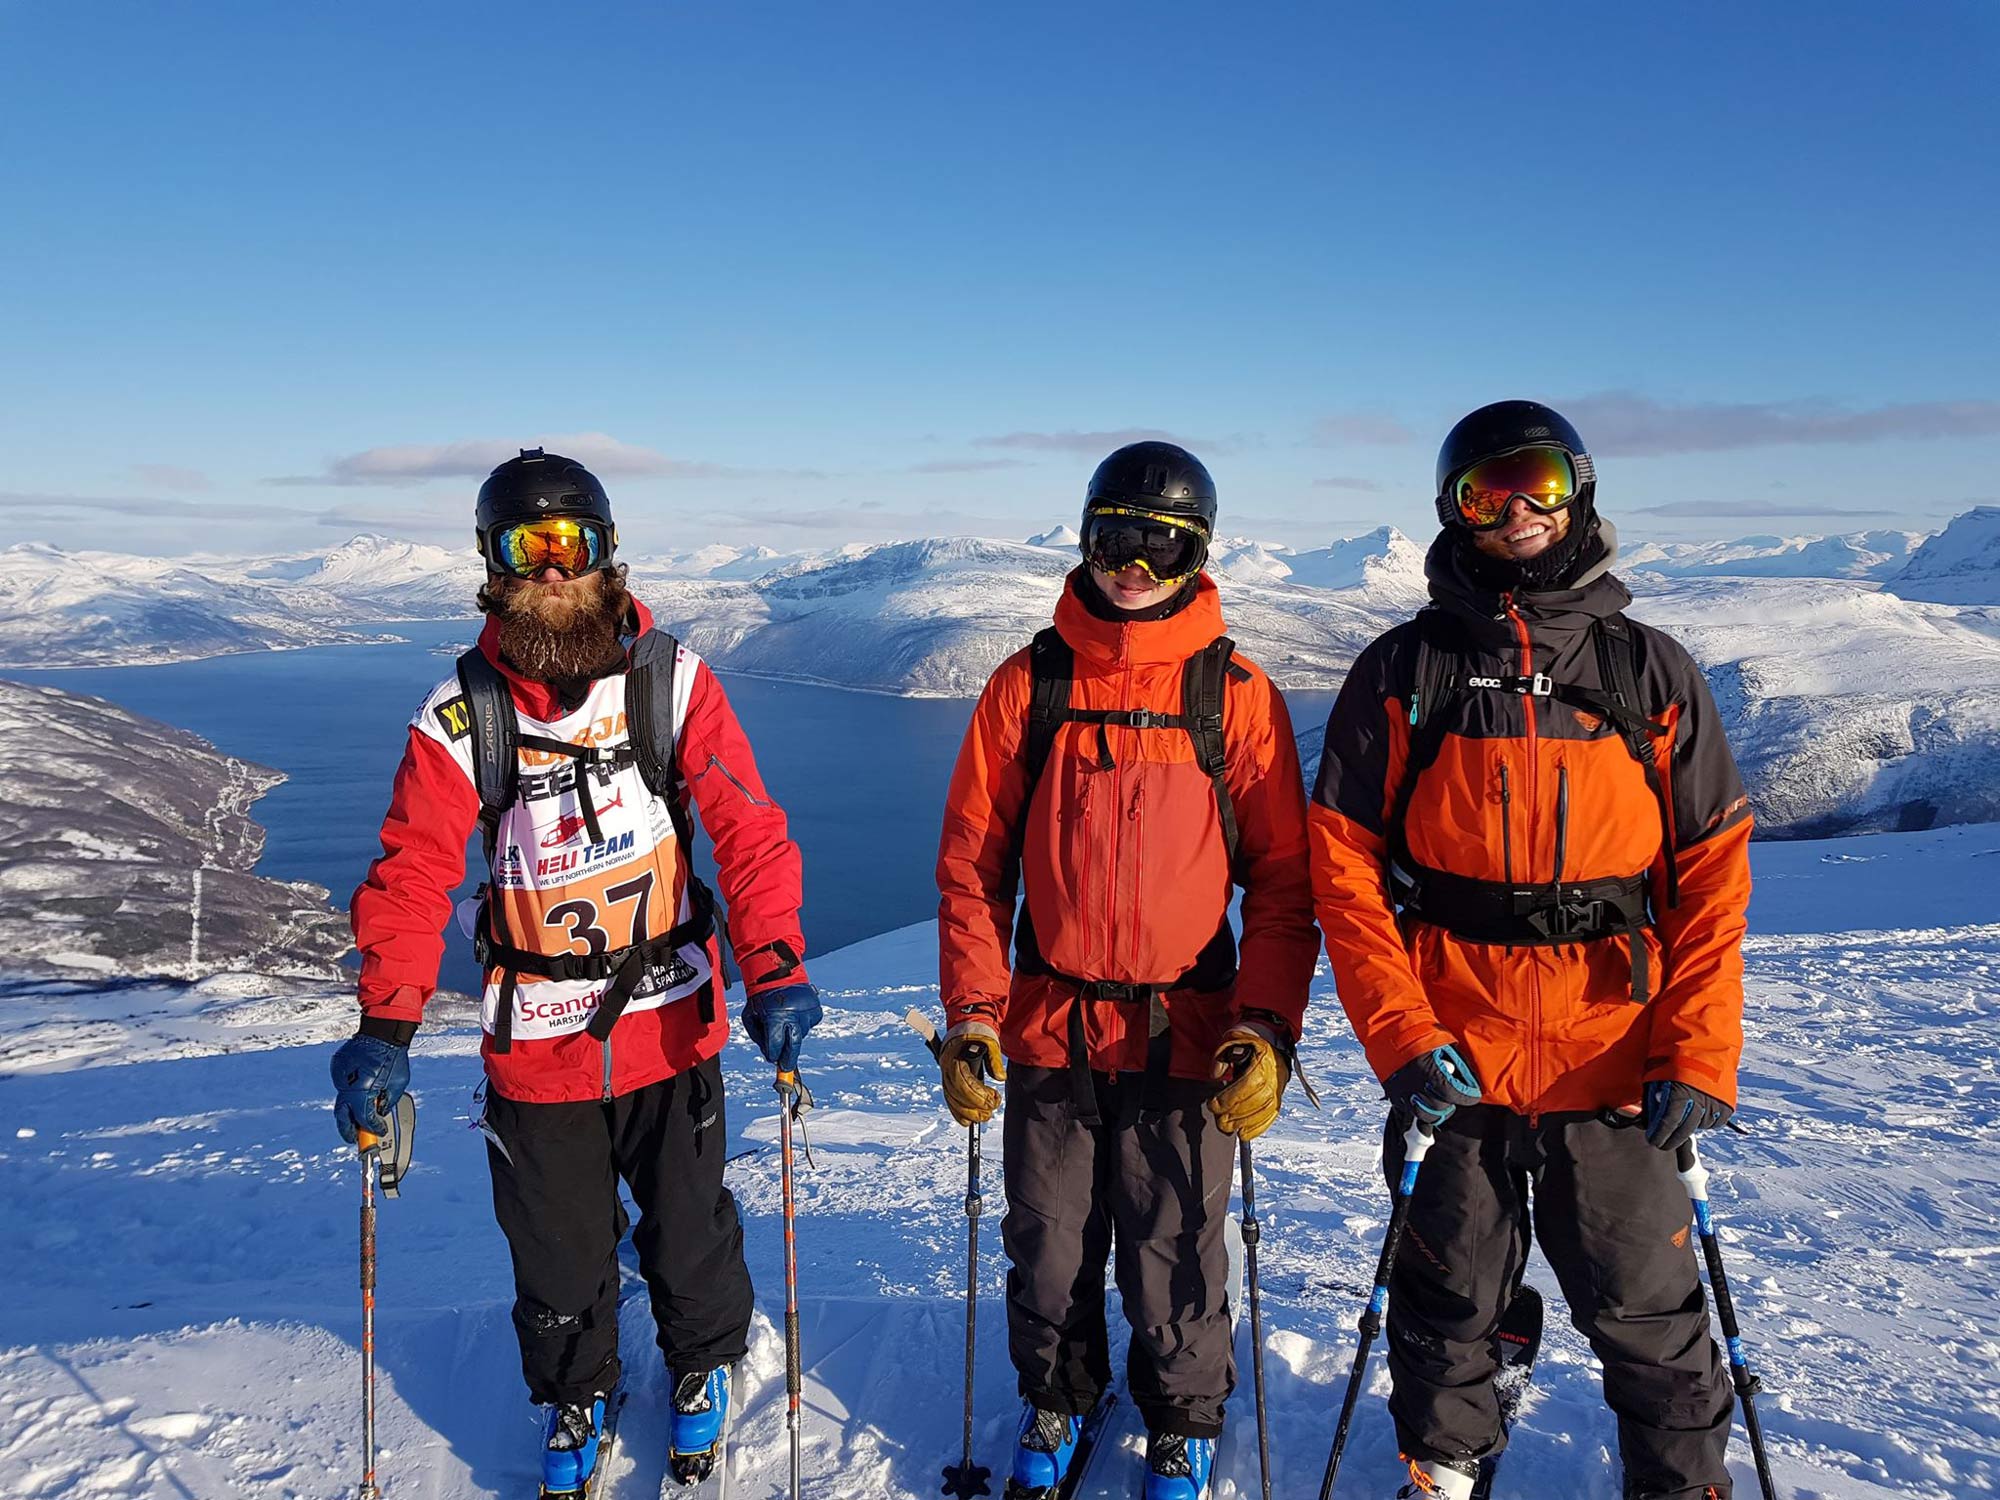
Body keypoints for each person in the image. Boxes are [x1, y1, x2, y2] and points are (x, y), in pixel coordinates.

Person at [329, 449, 822, 1495]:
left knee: (688, 1229)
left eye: (572, 543)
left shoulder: (670, 682)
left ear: (607, 553)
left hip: (671, 1019)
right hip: (536, 1038)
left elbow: (748, 831)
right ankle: (574, 1389)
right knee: (555, 1247)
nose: (553, 568)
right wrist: (385, 1026)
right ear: (493, 564)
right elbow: (412, 874)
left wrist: (774, 968)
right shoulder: (459, 715)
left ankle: (702, 1362)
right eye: (528, 546)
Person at [1310, 402, 1752, 1500]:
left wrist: (1698, 1052)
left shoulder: (1647, 671)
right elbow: (1343, 870)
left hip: (1615, 1053)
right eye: (1485, 492)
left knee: (1641, 1302)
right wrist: (1399, 1038)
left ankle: (1679, 1482)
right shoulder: (1406, 669)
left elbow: (1710, 880)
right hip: (1452, 1048)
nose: (1515, 511)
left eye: (1537, 483)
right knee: (1449, 1286)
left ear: (1578, 491)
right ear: (1452, 512)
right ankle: (1446, 1461)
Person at [934, 441, 1318, 1500]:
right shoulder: (1030, 684)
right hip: (1048, 1021)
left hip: (1186, 1028)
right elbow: (972, 866)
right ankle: (1058, 1395)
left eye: (1161, 546)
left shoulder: (1232, 695)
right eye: (1114, 541)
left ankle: (1183, 1417)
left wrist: (1264, 1028)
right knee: (1048, 1239)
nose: (1133, 567)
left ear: (1199, 553)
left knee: (1175, 1241)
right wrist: (973, 1011)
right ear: (1085, 539)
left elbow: (1284, 886)